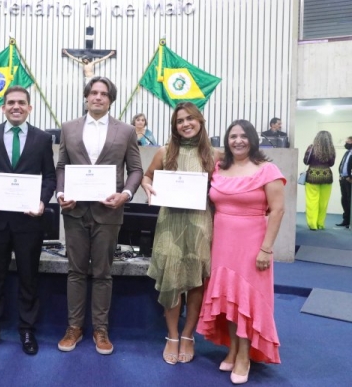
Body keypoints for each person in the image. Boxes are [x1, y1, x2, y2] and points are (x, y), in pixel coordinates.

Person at [56, 76, 143, 355]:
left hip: (109, 211)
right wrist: (60, 194)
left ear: (110, 100)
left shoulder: (127, 131)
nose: (97, 97)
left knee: (103, 273)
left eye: (103, 94)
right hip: (74, 211)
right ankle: (73, 327)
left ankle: (100, 329)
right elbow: (61, 167)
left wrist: (126, 195)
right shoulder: (68, 128)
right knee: (75, 271)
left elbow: (136, 170)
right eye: (93, 92)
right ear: (86, 97)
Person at [197, 119, 286, 385]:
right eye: (233, 136)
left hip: (252, 244)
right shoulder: (219, 167)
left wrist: (266, 249)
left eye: (243, 136)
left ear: (253, 139)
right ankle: (233, 349)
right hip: (222, 242)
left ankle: (245, 356)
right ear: (226, 140)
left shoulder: (267, 170)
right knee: (230, 300)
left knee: (248, 301)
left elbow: (278, 210)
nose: (238, 140)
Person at [0, 86, 56, 355]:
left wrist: (43, 201)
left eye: (21, 102)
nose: (16, 106)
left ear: (29, 108)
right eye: (11, 103)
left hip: (29, 221)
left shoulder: (42, 139)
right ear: (3, 107)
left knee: (29, 277)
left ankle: (27, 330)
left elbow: (50, 177)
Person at [141, 101, 218, 365]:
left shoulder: (214, 155)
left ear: (200, 120)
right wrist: (148, 187)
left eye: (190, 119)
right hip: (170, 224)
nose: (185, 124)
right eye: (179, 120)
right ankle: (172, 336)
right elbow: (147, 176)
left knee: (195, 282)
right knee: (172, 279)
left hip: (200, 225)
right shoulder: (165, 151)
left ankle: (188, 335)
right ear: (174, 126)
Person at [303, 131, 336, 230]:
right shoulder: (331, 149)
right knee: (323, 202)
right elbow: (331, 163)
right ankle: (320, 223)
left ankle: (312, 224)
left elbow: (306, 161)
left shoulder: (311, 148)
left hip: (312, 177)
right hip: (327, 177)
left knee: (312, 201)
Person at [336, 136, 352, 228]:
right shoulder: (347, 153)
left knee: (350, 200)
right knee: (344, 200)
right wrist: (340, 175)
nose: (346, 143)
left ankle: (350, 221)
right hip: (343, 179)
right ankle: (346, 220)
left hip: (349, 180)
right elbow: (343, 164)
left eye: (348, 141)